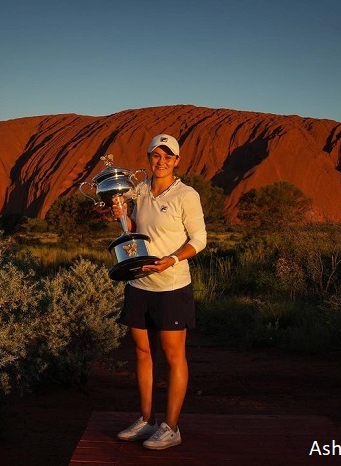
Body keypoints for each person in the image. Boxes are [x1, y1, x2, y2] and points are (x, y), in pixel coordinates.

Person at [112, 134, 207, 450]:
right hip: (139, 283)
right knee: (141, 353)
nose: (161, 160)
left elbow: (199, 239)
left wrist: (172, 259)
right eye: (156, 155)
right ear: (149, 157)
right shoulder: (138, 190)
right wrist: (120, 215)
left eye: (168, 156)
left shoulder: (186, 195)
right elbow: (133, 229)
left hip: (171, 287)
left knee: (173, 356)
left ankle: (171, 427)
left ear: (177, 161)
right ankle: (147, 419)